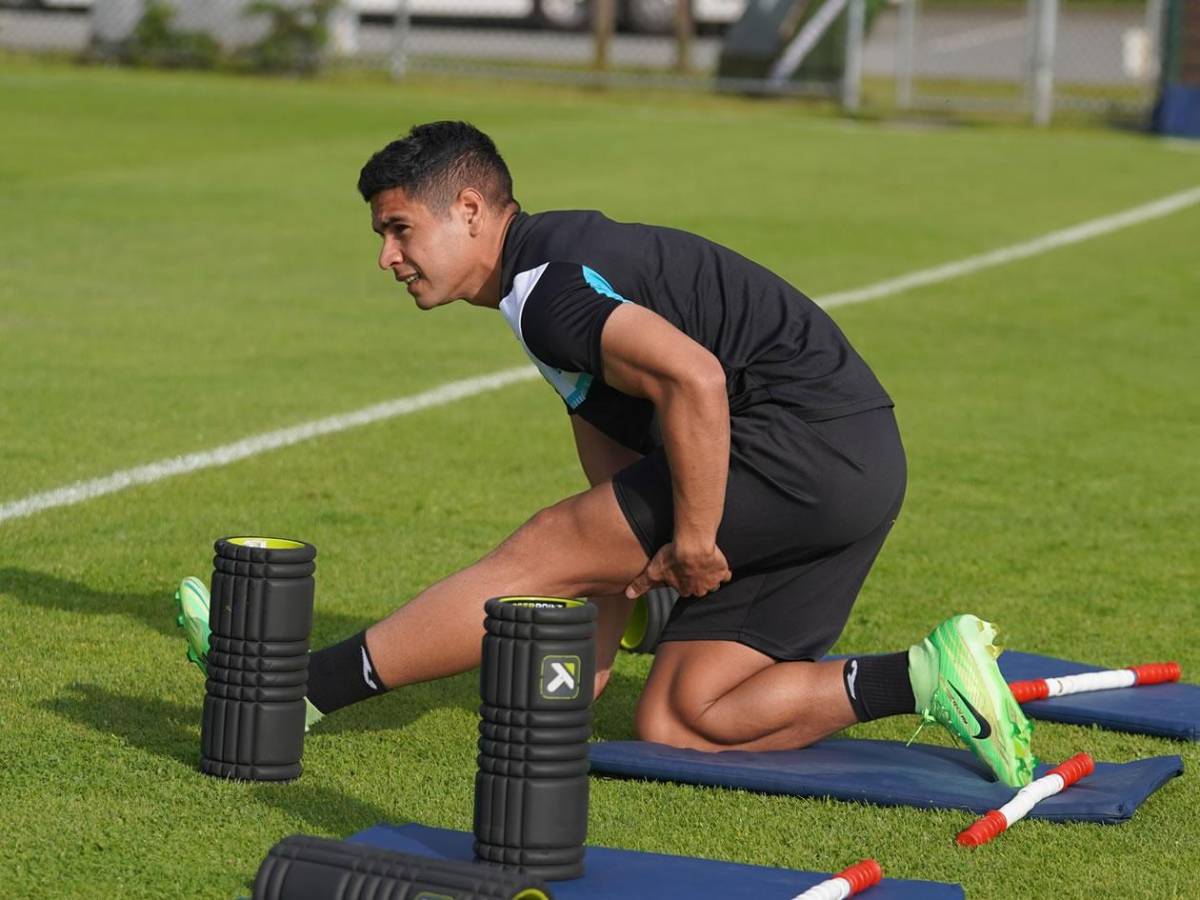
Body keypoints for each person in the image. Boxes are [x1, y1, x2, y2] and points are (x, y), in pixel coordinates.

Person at [175, 121, 1034, 787]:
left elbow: (695, 381)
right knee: (681, 717)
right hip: (858, 467)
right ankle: (927, 677)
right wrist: (609, 618)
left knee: (541, 548)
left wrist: (691, 539)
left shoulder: (548, 291)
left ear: (470, 210)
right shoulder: (544, 286)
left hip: (803, 445)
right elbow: (619, 486)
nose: (386, 258)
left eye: (399, 230)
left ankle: (297, 692)